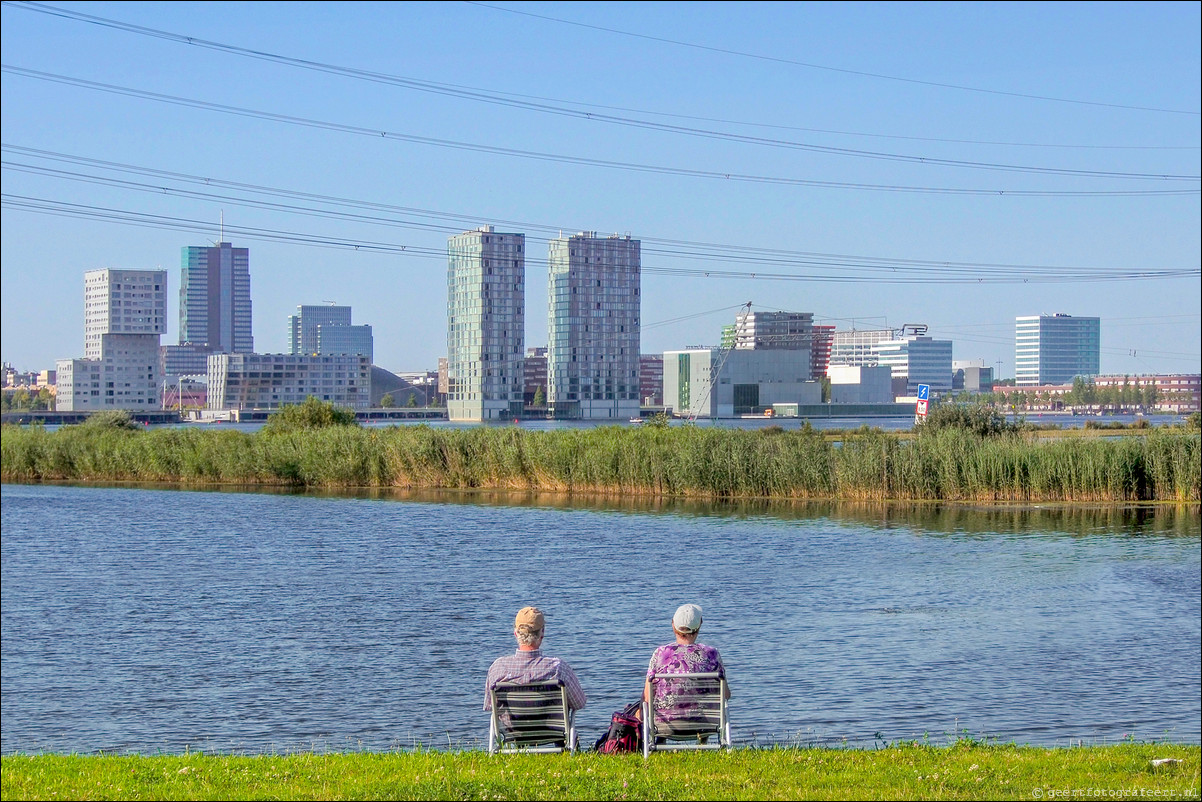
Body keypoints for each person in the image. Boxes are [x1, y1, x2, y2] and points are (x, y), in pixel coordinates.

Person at [484, 606, 586, 713]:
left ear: (516, 633)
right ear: (542, 633)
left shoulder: (498, 668)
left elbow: (489, 706)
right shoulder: (558, 668)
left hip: (510, 730)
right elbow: (579, 703)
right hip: (552, 729)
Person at [643, 603, 730, 727]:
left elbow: (647, 697)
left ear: (673, 625)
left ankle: (660, 742)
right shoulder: (712, 654)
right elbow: (726, 694)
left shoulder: (660, 654)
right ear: (700, 625)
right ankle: (702, 742)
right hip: (706, 723)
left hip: (665, 725)